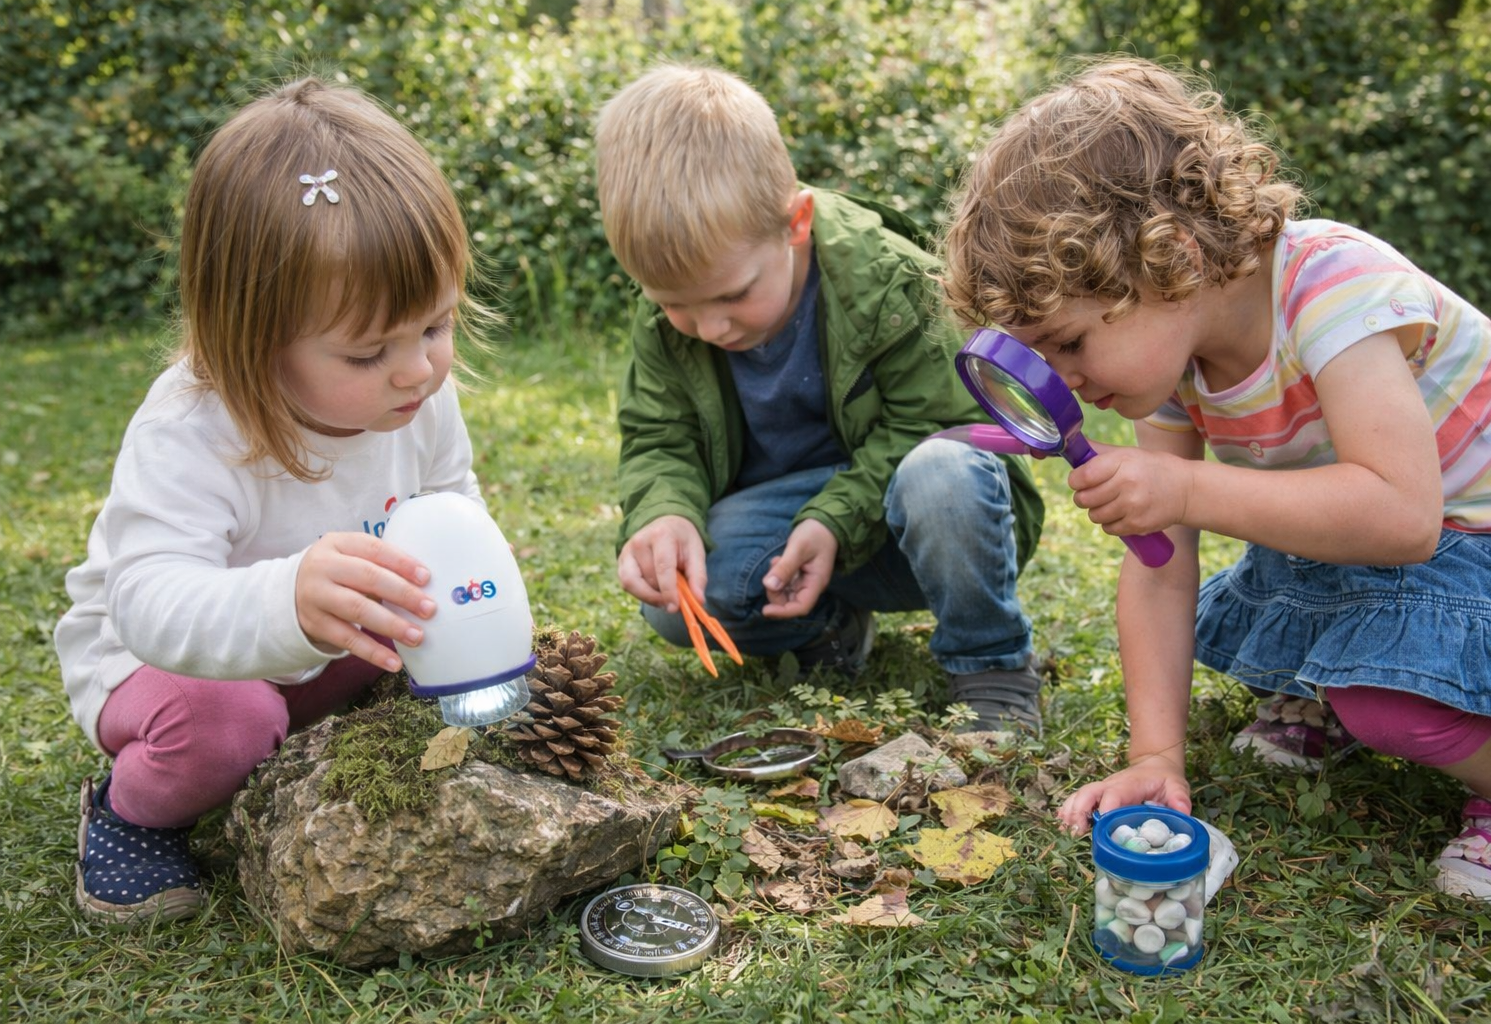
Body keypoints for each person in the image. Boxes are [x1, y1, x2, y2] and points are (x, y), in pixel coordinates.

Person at [942, 56, 1491, 907]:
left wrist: (1184, 490)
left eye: (1069, 343)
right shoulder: (1175, 360)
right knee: (1263, 608)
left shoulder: (1334, 288)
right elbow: (1160, 564)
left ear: (1175, 257)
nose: (1062, 379)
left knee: (1386, 702)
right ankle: (1325, 690)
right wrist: (1155, 755)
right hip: (1397, 555)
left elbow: (1402, 515)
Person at [54, 77, 491, 923]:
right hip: (171, 669)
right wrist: (287, 600)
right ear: (252, 338)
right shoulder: (192, 426)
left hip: (331, 652)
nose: (417, 370)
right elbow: (147, 600)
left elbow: (452, 510)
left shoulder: (420, 401)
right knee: (227, 721)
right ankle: (131, 813)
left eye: (435, 326)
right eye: (366, 353)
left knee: (430, 632)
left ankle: (313, 738)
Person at [594, 64, 1047, 735]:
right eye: (675, 305)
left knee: (941, 472)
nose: (710, 327)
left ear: (796, 222)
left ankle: (992, 664)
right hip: (792, 536)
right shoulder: (668, 315)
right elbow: (661, 436)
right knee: (678, 602)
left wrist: (834, 519)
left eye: (732, 295)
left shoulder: (893, 281)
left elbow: (946, 425)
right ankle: (830, 627)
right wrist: (665, 513)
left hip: (933, 528)